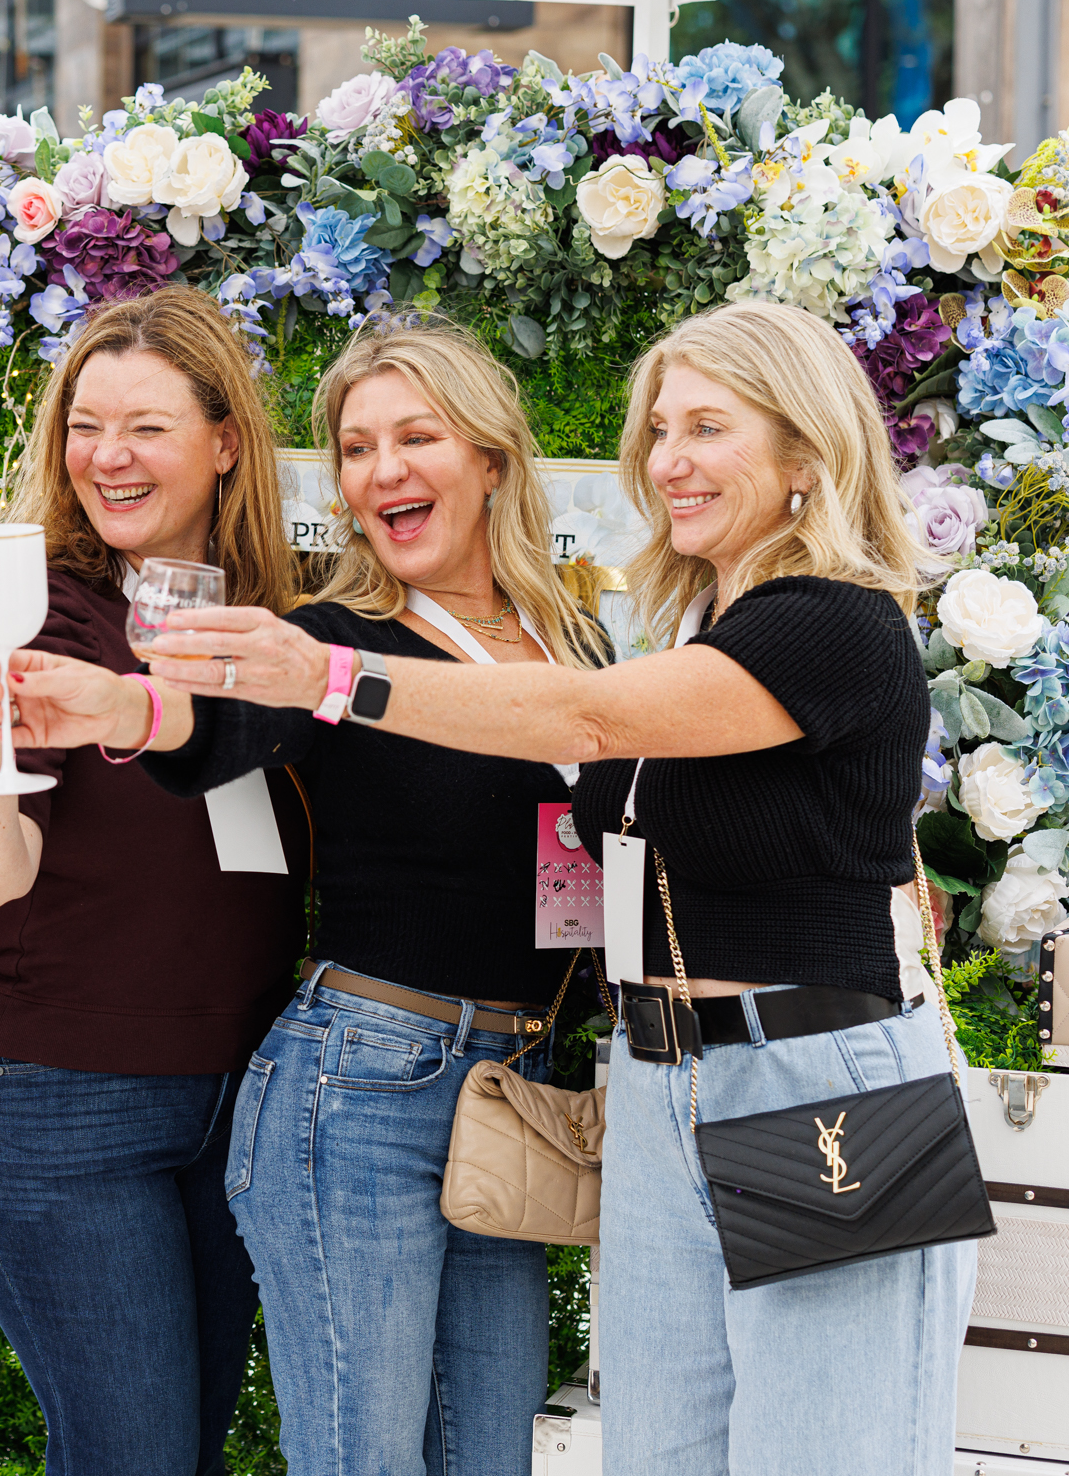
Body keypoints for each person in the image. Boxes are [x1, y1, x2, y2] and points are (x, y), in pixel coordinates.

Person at [67, 300, 956, 1474]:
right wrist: (128, 704)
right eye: (656, 429)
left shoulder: (830, 621)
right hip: (654, 1079)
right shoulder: (688, 625)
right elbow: (231, 721)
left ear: (805, 452)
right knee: (655, 1449)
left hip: (817, 1071)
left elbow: (578, 718)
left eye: (707, 426)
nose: (668, 458)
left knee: (829, 1448)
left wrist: (332, 673)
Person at [0, 314, 604, 1475]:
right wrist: (125, 707)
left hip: (515, 1083)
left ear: (494, 459)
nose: (382, 471)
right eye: (356, 449)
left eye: (416, 436)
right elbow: (216, 716)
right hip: (364, 1077)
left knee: (493, 1454)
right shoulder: (329, 635)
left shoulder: (576, 640)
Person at [0, 287, 305, 1476]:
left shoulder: (272, 624)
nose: (107, 455)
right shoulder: (31, 607)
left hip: (232, 1094)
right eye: (85, 425)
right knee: (130, 1453)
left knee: (179, 1451)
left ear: (225, 440)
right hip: (55, 1091)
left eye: (145, 425)